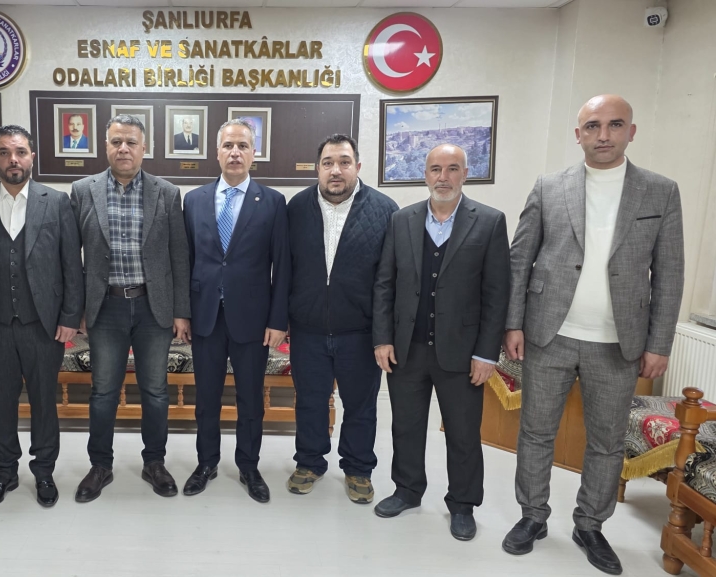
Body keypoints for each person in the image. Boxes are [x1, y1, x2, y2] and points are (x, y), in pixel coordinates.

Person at [502, 95, 684, 575]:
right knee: (536, 432)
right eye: (592, 126)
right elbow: (520, 259)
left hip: (619, 343)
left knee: (606, 441)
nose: (603, 135)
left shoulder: (661, 192)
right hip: (549, 334)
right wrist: (513, 323)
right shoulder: (549, 187)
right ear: (578, 134)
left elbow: (670, 273)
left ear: (631, 131)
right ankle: (532, 516)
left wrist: (659, 343)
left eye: (615, 125)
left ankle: (590, 525)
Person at [373, 144, 510, 541]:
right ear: (425, 174)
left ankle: (463, 505)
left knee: (464, 433)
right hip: (407, 349)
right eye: (436, 169)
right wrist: (382, 339)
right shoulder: (402, 220)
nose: (443, 177)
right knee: (406, 426)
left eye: (452, 169)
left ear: (465, 173)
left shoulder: (489, 222)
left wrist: (487, 353)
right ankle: (407, 490)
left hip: (463, 353)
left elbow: (497, 294)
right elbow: (384, 284)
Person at [0, 125, 84, 510]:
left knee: (44, 401)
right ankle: (4, 472)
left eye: (19, 152)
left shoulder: (57, 202)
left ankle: (44, 471)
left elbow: (71, 264)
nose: (12, 159)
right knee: (1, 403)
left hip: (43, 325)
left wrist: (70, 316)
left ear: (32, 156)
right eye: (3, 152)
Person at [69, 114, 191, 503]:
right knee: (104, 392)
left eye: (131, 142)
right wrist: (76, 309)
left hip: (153, 308)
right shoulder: (82, 190)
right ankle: (100, 465)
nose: (124, 148)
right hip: (104, 308)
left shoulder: (167, 192)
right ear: (105, 146)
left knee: (155, 392)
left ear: (144, 148)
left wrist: (181, 311)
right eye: (116, 141)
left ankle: (154, 462)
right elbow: (71, 258)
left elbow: (179, 256)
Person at [182, 119, 290, 503]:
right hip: (205, 316)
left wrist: (278, 320)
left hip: (253, 320)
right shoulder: (194, 200)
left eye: (243, 146)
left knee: (250, 399)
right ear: (217, 152)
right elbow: (185, 260)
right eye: (228, 145)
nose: (235, 152)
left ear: (253, 153)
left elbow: (282, 266)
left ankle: (248, 466)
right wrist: (182, 313)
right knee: (206, 399)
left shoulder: (272, 202)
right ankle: (206, 463)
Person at [285, 134, 398, 503]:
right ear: (317, 168)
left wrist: (383, 334)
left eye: (344, 162)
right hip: (308, 330)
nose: (336, 170)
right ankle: (309, 462)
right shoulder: (296, 208)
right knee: (310, 402)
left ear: (358, 167)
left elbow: (389, 279)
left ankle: (358, 468)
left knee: (361, 407)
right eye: (328, 163)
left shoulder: (385, 209)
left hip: (359, 333)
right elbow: (285, 269)